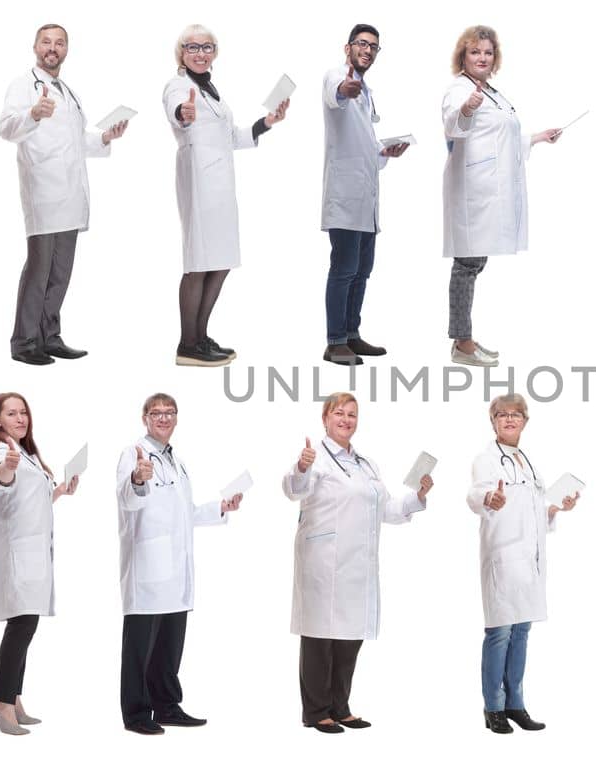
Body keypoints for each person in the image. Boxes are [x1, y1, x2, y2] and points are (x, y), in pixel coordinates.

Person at [282, 392, 432, 733]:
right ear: (325, 418)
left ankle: (340, 706)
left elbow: (386, 509)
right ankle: (317, 711)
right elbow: (294, 489)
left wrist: (419, 496)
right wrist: (301, 467)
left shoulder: (366, 464)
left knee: (349, 637)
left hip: (357, 565)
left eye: (352, 414)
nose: (346, 419)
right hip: (323, 562)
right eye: (339, 413)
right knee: (320, 638)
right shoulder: (315, 457)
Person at [0, 24, 128, 365]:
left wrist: (105, 137)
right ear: (35, 47)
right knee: (39, 269)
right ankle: (24, 343)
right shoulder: (23, 86)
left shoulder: (68, 91)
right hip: (43, 189)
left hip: (70, 194)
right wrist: (32, 113)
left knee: (60, 272)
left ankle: (49, 337)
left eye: (59, 43)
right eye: (46, 42)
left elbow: (76, 140)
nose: (52, 48)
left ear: (66, 50)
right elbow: (6, 128)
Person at [114, 393, 242, 735]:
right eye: (156, 413)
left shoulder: (176, 461)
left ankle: (167, 706)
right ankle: (137, 714)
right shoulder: (134, 453)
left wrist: (221, 507)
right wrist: (138, 478)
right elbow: (127, 499)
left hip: (174, 569)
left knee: (170, 645)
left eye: (170, 413)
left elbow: (184, 513)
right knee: (140, 648)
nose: (164, 418)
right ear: (144, 418)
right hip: (147, 567)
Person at [164, 24, 289, 366]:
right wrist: (182, 114)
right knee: (200, 262)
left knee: (221, 261)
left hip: (221, 183)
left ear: (215, 53)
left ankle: (200, 336)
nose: (200, 53)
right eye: (193, 47)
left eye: (207, 47)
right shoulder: (179, 86)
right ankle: (187, 343)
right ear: (182, 53)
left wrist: (267, 121)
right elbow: (179, 111)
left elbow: (231, 135)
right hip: (199, 180)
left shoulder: (211, 90)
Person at [441, 25, 561, 367]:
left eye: (488, 52)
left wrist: (537, 137)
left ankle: (465, 338)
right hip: (473, 188)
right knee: (466, 263)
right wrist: (465, 109)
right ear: (463, 56)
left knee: (475, 262)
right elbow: (453, 126)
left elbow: (504, 137)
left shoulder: (491, 91)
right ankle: (461, 343)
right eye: (475, 51)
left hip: (489, 187)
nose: (482, 57)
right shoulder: (458, 90)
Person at [466, 394, 578, 733]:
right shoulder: (486, 459)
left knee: (522, 633)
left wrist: (556, 508)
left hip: (530, 560)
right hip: (502, 556)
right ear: (494, 422)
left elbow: (532, 513)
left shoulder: (527, 462)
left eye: (516, 415)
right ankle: (493, 708)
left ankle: (516, 703)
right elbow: (474, 495)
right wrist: (490, 497)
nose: (510, 419)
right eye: (502, 415)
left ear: (525, 422)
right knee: (499, 633)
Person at [0, 392, 79, 735]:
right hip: (15, 552)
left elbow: (30, 500)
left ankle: (13, 698)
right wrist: (6, 468)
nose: (20, 419)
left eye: (24, 413)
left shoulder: (27, 454)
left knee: (26, 625)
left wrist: (59, 491)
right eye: (12, 413)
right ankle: (0, 703)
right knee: (21, 626)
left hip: (31, 550)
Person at [318, 24, 409, 366]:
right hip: (345, 197)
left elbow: (364, 144)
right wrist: (345, 88)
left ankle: (352, 335)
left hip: (366, 200)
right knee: (343, 269)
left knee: (362, 269)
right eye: (362, 44)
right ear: (348, 48)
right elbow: (335, 93)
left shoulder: (367, 90)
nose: (368, 50)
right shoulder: (336, 77)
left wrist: (385, 152)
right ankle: (335, 341)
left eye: (374, 47)